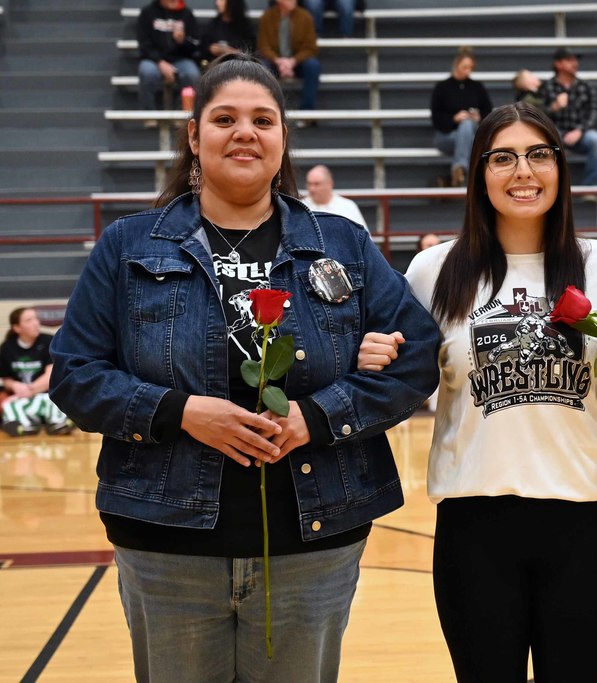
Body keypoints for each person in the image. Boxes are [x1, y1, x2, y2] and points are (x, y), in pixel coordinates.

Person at [48, 54, 440, 683]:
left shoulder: (341, 243)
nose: (245, 132)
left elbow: (417, 356)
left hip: (313, 540)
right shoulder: (129, 246)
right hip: (165, 540)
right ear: (194, 136)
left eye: (263, 119)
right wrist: (180, 413)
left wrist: (316, 417)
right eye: (224, 118)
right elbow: (72, 372)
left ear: (283, 139)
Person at [363, 101, 597, 682]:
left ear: (561, 169)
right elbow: (396, 375)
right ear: (479, 173)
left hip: (585, 518)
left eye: (538, 155)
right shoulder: (431, 270)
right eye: (503, 158)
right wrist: (373, 355)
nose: (523, 171)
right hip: (475, 523)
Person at [1, 308, 73, 437]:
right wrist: (14, 386)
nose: (36, 323)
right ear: (17, 328)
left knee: (56, 401)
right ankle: (24, 427)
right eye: (29, 320)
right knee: (8, 405)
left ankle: (58, 423)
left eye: (36, 318)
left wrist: (29, 390)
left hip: (46, 395)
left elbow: (49, 376)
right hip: (23, 400)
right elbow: (6, 380)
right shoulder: (7, 347)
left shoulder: (48, 341)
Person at [539, 47, 597, 186]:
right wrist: (553, 107)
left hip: (580, 132)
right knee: (546, 141)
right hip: (555, 131)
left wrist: (580, 130)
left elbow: (593, 112)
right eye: (569, 60)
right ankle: (553, 187)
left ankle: (589, 188)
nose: (575, 63)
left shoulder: (586, 86)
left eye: (575, 60)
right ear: (558, 64)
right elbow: (538, 114)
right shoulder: (546, 87)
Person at [430, 46, 493, 188]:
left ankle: (459, 170)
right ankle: (466, 174)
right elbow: (436, 118)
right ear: (456, 64)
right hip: (447, 136)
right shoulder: (442, 87)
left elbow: (488, 111)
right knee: (466, 128)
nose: (468, 71)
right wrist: (454, 118)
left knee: (467, 125)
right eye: (465, 67)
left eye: (470, 68)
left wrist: (478, 117)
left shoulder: (477, 87)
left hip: (472, 133)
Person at [136, 0, 202, 111]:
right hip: (153, 60)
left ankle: (185, 115)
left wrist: (182, 41)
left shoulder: (186, 14)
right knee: (147, 72)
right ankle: (148, 114)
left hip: (180, 59)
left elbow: (195, 45)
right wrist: (160, 62)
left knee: (192, 74)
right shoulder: (147, 13)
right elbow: (144, 44)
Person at [257, 0, 321, 112]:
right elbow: (263, 47)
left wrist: (292, 61)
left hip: (298, 63)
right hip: (275, 63)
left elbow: (310, 48)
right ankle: (266, 110)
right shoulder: (267, 17)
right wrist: (278, 61)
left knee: (313, 66)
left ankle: (307, 111)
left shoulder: (305, 17)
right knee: (262, 66)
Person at [302, 164, 367, 228]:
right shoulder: (301, 207)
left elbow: (363, 235)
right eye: (309, 184)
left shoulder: (348, 206)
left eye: (317, 184)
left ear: (329, 183)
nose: (312, 189)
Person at [200, 0, 256, 65]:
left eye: (221, 0)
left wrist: (231, 51)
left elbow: (251, 48)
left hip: (239, 65)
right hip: (216, 64)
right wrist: (211, 48)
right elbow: (204, 46)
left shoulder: (245, 26)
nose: (217, 3)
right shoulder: (213, 24)